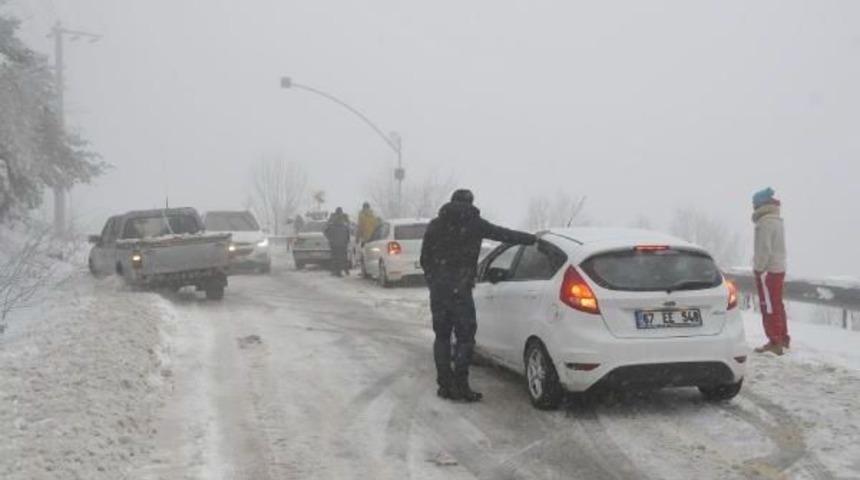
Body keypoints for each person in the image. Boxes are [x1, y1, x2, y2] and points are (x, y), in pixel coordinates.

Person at [420, 189, 537, 402]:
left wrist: (434, 281)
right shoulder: (475, 223)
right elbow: (505, 235)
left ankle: (445, 386)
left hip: (440, 290)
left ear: (451, 201)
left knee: (442, 337)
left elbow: (424, 259)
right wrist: (532, 239)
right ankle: (462, 386)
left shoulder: (436, 225)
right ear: (471, 202)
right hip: (461, 290)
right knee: (465, 338)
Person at [751, 187, 789, 355]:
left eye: (754, 203)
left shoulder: (765, 222)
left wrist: (758, 268)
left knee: (769, 306)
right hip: (778, 268)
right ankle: (783, 338)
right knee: (777, 304)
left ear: (760, 204)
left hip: (768, 271)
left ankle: (775, 342)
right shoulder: (777, 219)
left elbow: (764, 249)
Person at [324, 207, 351, 277]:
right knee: (343, 257)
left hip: (334, 244)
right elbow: (348, 233)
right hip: (342, 244)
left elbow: (326, 232)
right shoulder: (344, 224)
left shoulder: (332, 223)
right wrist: (347, 241)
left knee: (335, 257)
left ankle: (335, 271)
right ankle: (345, 270)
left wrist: (330, 239)